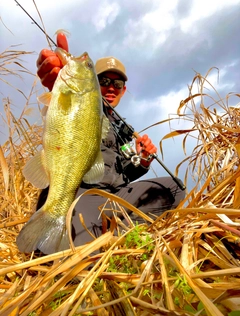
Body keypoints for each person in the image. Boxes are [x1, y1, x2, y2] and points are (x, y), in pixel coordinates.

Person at [36, 33, 185, 246]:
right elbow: (64, 114)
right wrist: (56, 85)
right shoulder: (84, 107)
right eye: (104, 81)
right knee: (79, 259)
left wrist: (142, 161)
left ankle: (113, 234)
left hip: (113, 198)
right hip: (81, 193)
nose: (111, 87)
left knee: (174, 188)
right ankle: (76, 229)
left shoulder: (120, 128)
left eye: (118, 83)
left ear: (124, 90)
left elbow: (117, 174)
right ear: (95, 85)